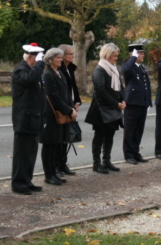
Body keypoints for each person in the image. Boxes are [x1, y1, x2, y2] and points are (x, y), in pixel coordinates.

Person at [11, 43, 46, 195]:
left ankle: (27, 180)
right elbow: (31, 79)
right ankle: (18, 183)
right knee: (22, 153)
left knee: (31, 152)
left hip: (34, 118)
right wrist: (39, 64)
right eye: (37, 59)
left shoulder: (31, 70)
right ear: (30, 57)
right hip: (24, 119)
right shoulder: (20, 70)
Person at [85, 43, 125, 174]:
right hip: (101, 109)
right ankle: (96, 164)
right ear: (107, 55)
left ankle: (106, 161)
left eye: (116, 55)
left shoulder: (114, 68)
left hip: (114, 107)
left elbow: (120, 85)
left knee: (110, 135)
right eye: (114, 55)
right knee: (99, 136)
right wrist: (116, 104)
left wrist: (123, 100)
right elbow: (100, 91)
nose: (116, 58)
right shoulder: (100, 70)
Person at [41, 48, 77, 185]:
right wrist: (68, 110)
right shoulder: (48, 74)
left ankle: (55, 172)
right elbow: (53, 96)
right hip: (52, 115)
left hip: (63, 112)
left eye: (61, 57)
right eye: (58, 58)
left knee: (57, 144)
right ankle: (48, 174)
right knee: (49, 144)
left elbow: (66, 93)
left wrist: (72, 106)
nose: (61, 60)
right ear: (50, 59)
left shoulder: (59, 73)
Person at [121, 44, 152, 164]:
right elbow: (125, 70)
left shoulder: (142, 68)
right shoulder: (129, 66)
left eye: (142, 53)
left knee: (139, 130)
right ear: (133, 54)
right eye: (140, 53)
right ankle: (128, 154)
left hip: (142, 103)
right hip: (132, 103)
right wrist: (132, 58)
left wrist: (148, 102)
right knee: (130, 129)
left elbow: (147, 87)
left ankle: (135, 152)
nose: (143, 55)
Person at [57, 44, 82, 176]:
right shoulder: (58, 70)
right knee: (59, 139)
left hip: (71, 105)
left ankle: (63, 164)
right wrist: (69, 107)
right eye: (71, 54)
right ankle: (57, 166)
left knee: (66, 137)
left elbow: (73, 87)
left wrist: (77, 102)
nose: (73, 56)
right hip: (63, 107)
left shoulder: (69, 69)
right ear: (63, 56)